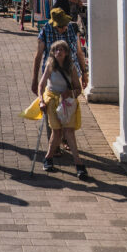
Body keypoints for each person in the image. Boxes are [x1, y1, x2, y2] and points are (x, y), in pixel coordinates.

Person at [36, 40, 88, 179]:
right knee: (57, 132)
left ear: (66, 53)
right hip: (52, 101)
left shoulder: (71, 67)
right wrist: (41, 101)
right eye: (56, 50)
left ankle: (78, 163)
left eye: (62, 50)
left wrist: (70, 93)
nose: (59, 52)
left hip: (67, 103)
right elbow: (41, 85)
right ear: (53, 52)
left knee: (69, 132)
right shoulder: (50, 65)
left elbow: (78, 89)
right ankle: (48, 158)